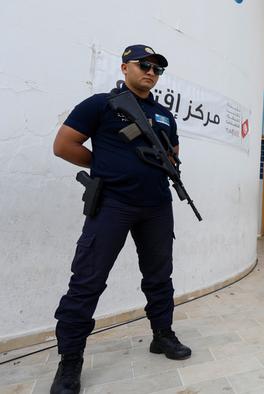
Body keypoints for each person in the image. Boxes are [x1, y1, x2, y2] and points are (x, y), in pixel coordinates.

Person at [50, 45, 191, 394]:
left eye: (157, 69)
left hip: (157, 205)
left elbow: (172, 154)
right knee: (87, 282)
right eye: (144, 65)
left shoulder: (164, 115)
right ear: (125, 66)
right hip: (113, 204)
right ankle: (70, 362)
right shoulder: (101, 104)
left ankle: (162, 335)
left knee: (159, 276)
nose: (150, 72)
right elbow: (64, 145)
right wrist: (103, 168)